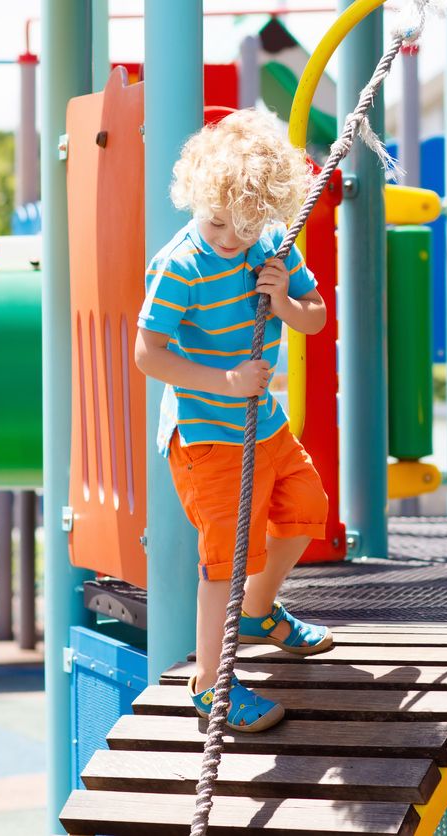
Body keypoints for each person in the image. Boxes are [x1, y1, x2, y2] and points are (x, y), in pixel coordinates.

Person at [134, 109, 332, 733]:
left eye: (244, 228)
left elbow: (316, 315)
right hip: (205, 437)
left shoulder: (270, 244)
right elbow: (147, 354)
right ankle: (207, 684)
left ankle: (260, 607)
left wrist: (281, 301)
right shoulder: (181, 265)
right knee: (226, 556)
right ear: (196, 197)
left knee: (307, 506)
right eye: (218, 222)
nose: (228, 239)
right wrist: (224, 380)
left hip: (262, 422)